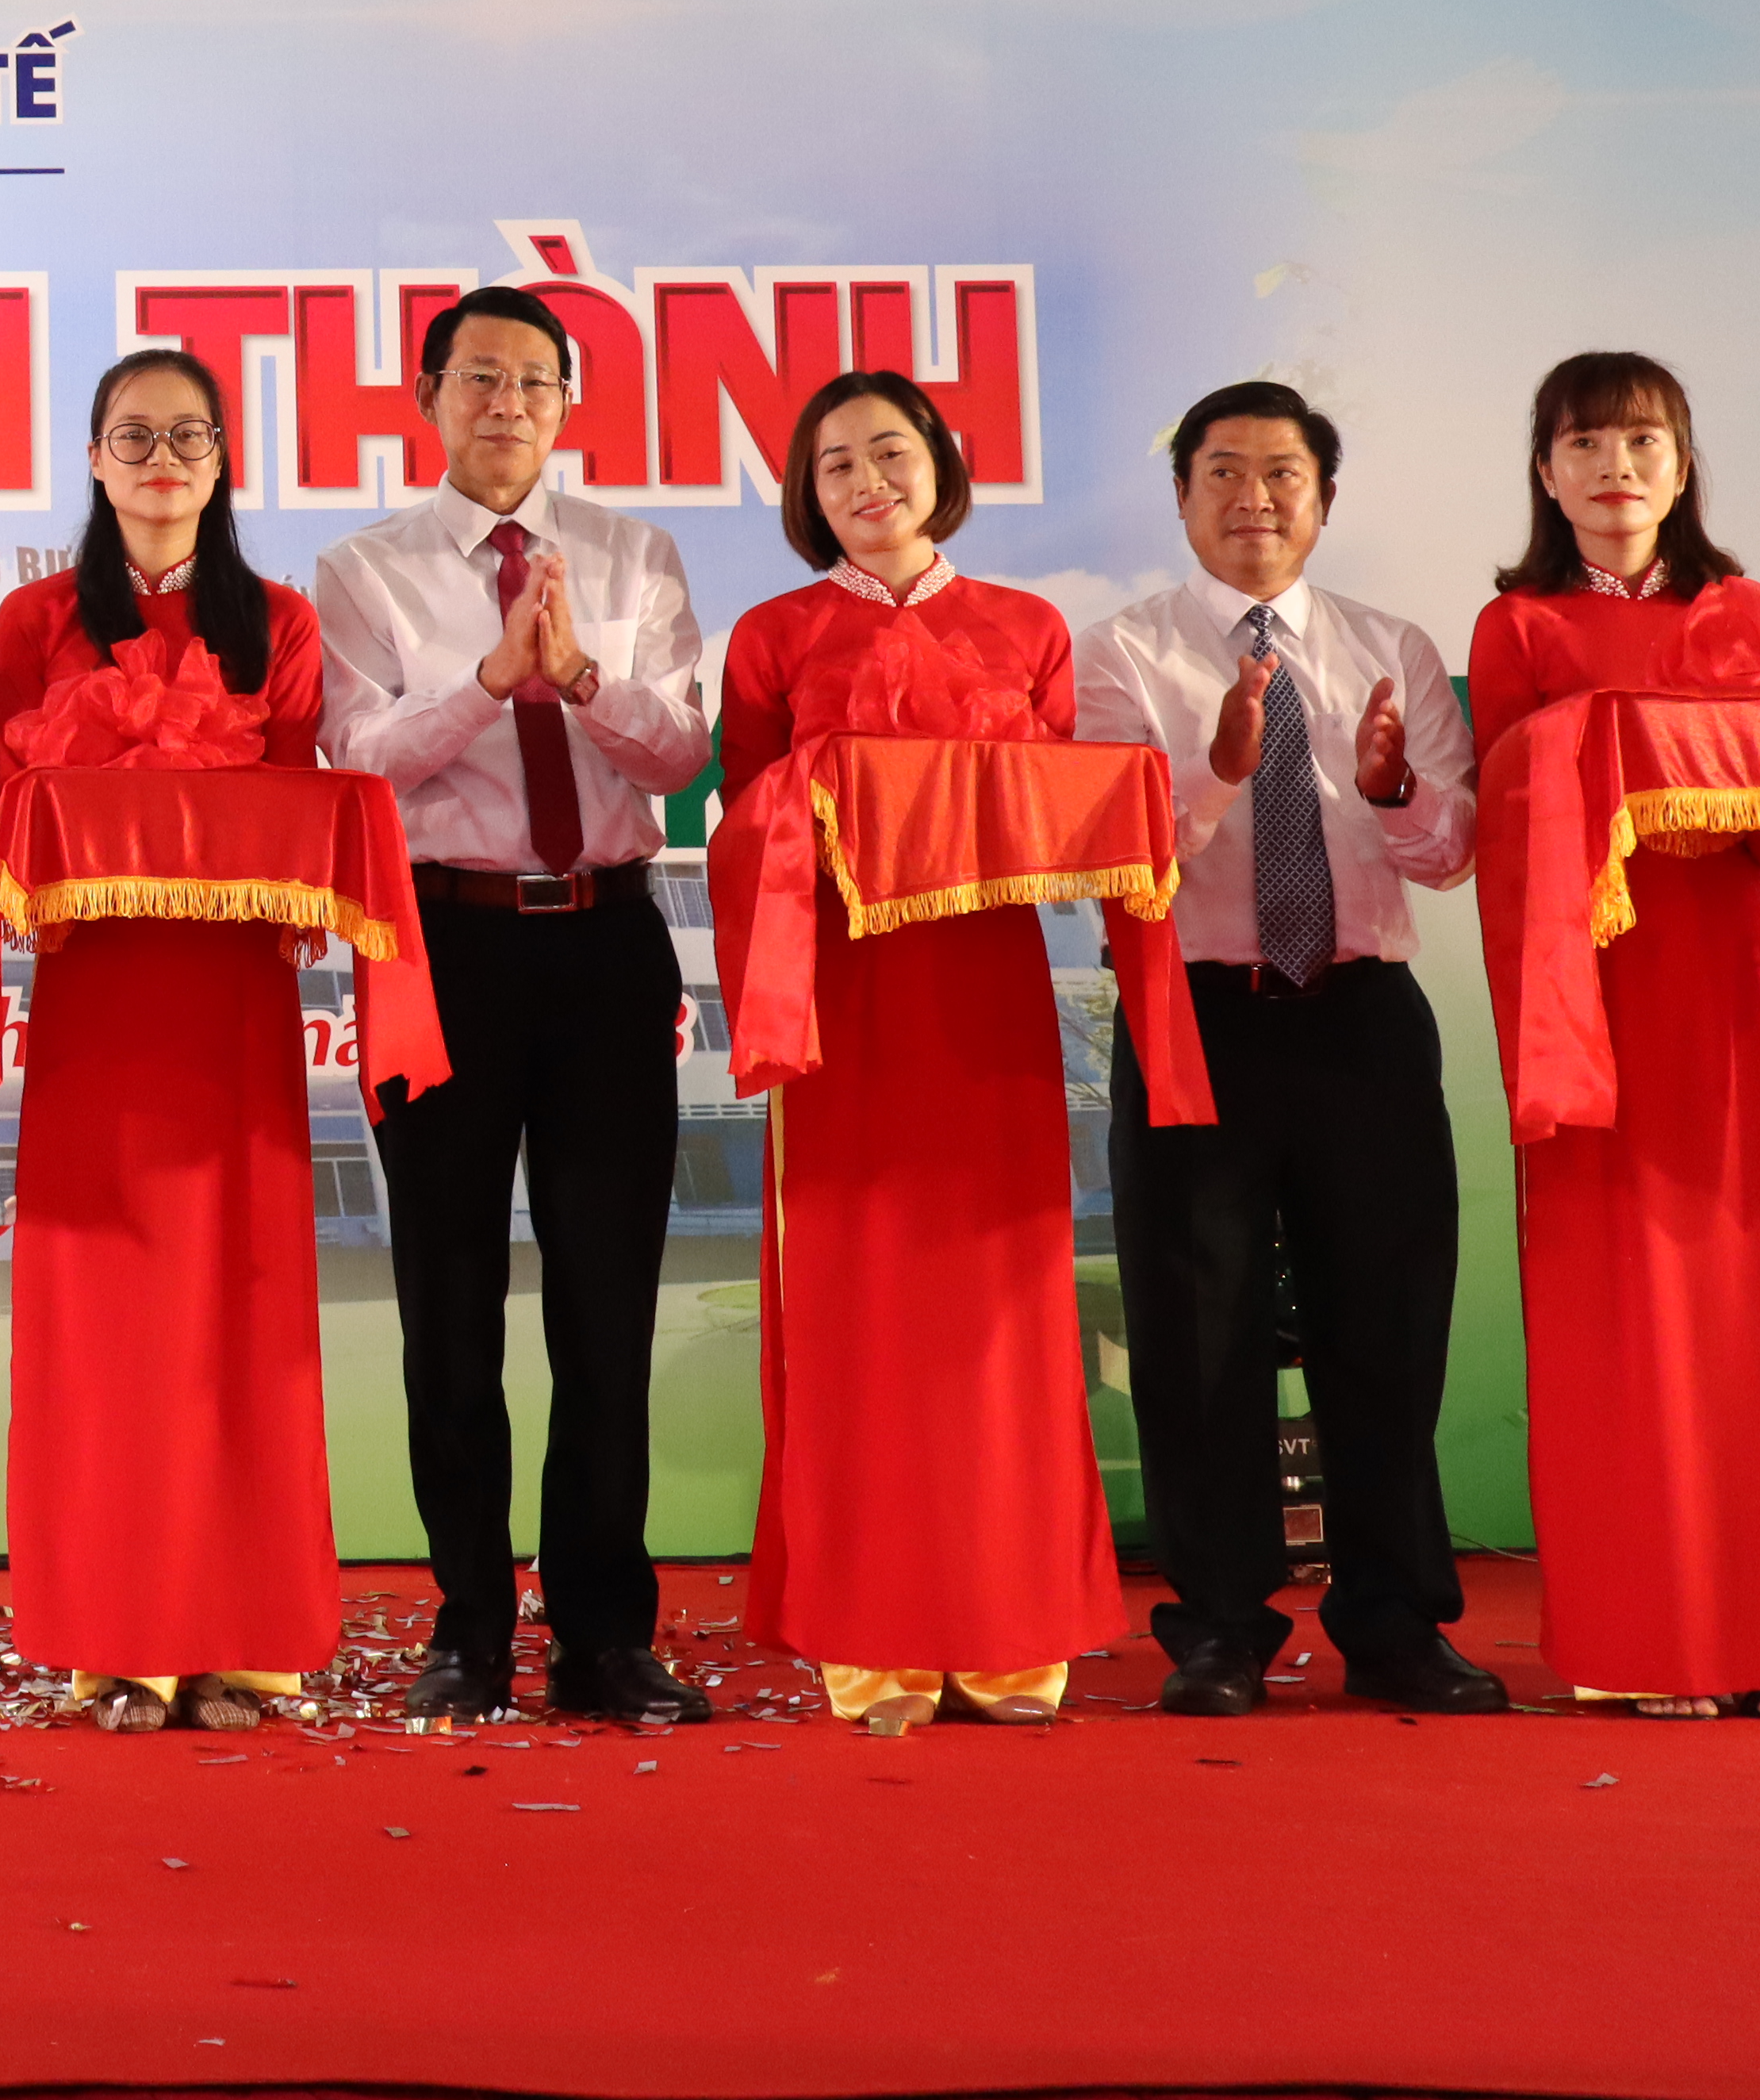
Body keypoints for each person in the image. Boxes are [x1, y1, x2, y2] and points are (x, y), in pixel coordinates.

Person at [310, 286, 711, 1725]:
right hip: (444, 951)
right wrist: (488, 683)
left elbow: (678, 755)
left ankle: (605, 1632)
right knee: (448, 1303)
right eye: (477, 378)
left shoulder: (632, 553)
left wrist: (581, 675)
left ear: (565, 405)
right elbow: (357, 761)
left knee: (606, 1306)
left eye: (533, 382)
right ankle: (469, 1623)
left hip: (606, 947)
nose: (505, 405)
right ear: (428, 398)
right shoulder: (364, 571)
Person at [1077, 382, 1501, 1719]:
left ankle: (1393, 1624)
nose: (1253, 497)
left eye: (1281, 474)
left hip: (1364, 1015)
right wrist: (1210, 770)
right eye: (1222, 473)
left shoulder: (1394, 648)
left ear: (1323, 498)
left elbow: (1447, 855)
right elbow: (1113, 855)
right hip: (1195, 1012)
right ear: (1184, 498)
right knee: (1197, 1331)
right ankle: (1217, 1628)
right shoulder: (1122, 657)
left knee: (1384, 1328)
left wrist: (1392, 791)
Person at [1468, 351, 1760, 1721]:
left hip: (1727, 981)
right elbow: (1504, 814)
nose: (1615, 469)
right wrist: (1616, 747)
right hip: (1592, 989)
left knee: (1748, 1293)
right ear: (1546, 475)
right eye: (1583, 446)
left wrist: (1752, 762)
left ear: (1683, 466)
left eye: (1642, 442)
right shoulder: (1518, 629)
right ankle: (1650, 1644)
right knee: (1617, 1309)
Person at [717, 370, 1118, 1733]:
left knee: (1001, 1297)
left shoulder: (1028, 627)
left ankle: (1010, 1623)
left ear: (943, 465)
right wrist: (822, 795)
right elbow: (739, 823)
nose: (867, 483)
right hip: (839, 1007)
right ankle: (875, 1624)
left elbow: (1061, 814)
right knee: (857, 1300)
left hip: (987, 998)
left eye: (890, 453)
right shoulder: (773, 636)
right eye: (834, 467)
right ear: (805, 495)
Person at [0, 347, 332, 1734]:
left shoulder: (282, 622)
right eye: (135, 435)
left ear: (224, 458)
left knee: (239, 1309)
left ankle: (245, 1635)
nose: (164, 458)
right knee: (108, 1318)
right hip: (99, 1007)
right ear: (93, 457)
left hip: (234, 1010)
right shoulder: (34, 619)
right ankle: (114, 1636)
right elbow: (16, 824)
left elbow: (301, 813)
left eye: (190, 433)